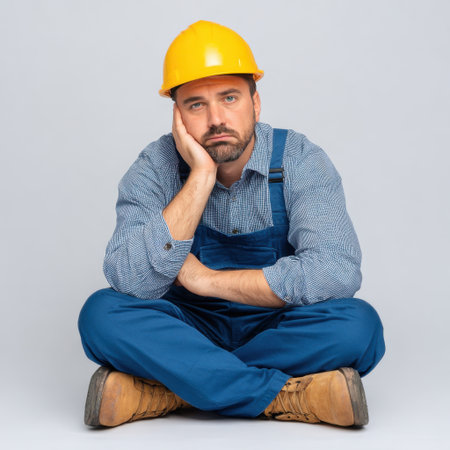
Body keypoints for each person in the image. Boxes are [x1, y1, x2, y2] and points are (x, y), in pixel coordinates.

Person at [78, 20, 385, 428]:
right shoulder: (155, 167)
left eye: (229, 97)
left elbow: (336, 271)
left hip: (275, 326)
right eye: (196, 105)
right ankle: (287, 397)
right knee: (101, 316)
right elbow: (130, 279)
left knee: (358, 327)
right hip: (187, 325)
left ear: (255, 104)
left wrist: (206, 280)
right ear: (177, 116)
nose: (216, 119)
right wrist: (200, 177)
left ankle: (169, 389)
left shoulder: (299, 159)